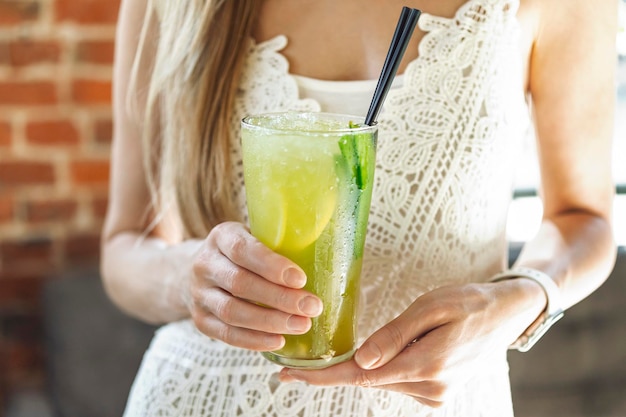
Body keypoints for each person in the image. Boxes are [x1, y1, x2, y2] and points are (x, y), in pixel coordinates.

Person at [102, 0, 617, 415]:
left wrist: (516, 300)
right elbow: (124, 247)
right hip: (200, 397)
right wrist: (189, 278)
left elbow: (583, 217)